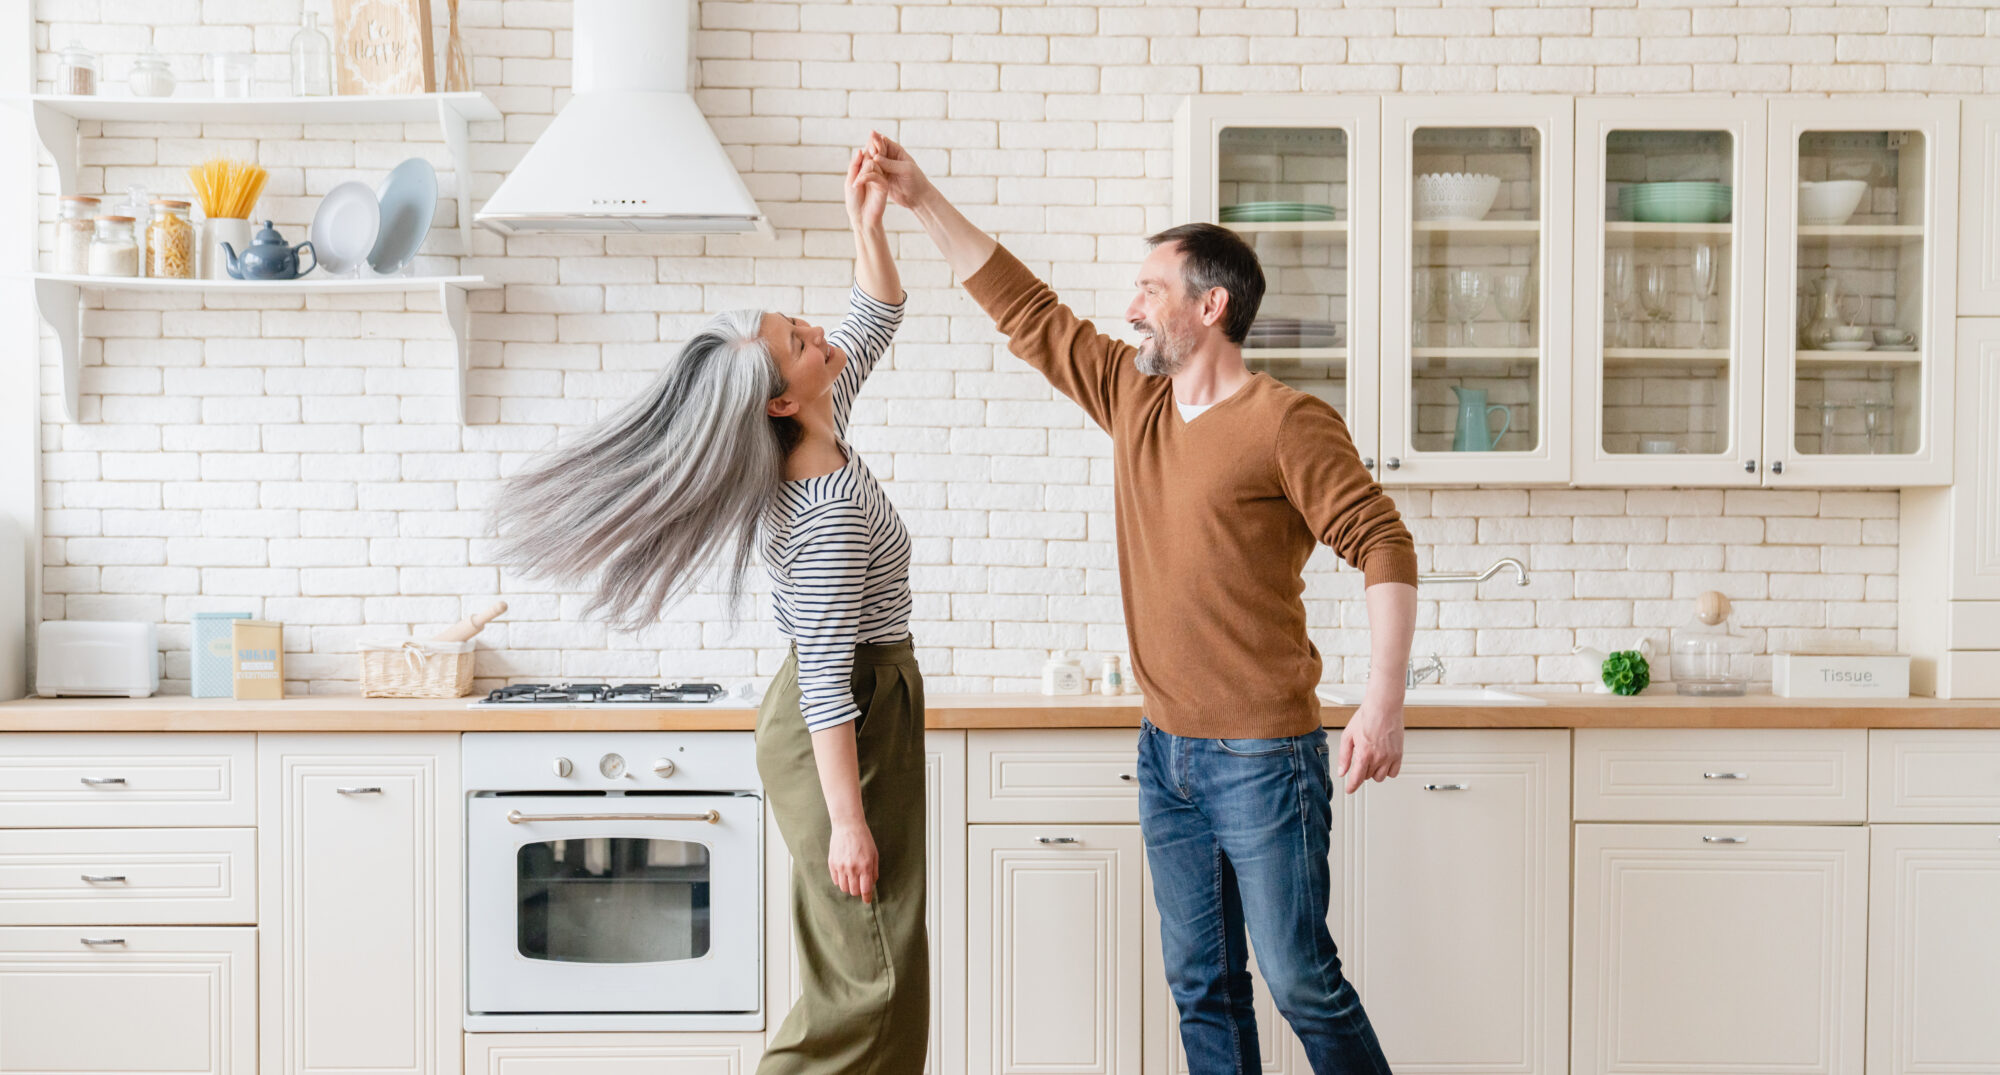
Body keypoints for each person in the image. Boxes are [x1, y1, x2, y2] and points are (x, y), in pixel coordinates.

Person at [859, 132, 1418, 1074]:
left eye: (1150, 291)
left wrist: (1383, 700)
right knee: (1203, 985)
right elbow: (1028, 310)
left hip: (1263, 756)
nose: (1130, 309)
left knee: (1301, 981)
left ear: (1211, 305)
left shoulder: (1287, 422)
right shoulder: (1134, 398)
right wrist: (920, 200)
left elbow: (1383, 543)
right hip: (1167, 752)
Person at [491, 148, 928, 1074]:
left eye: (798, 324)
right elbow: (825, 683)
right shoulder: (825, 509)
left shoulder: (815, 419)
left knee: (866, 966)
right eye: (799, 339)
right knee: (873, 978)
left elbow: (876, 313)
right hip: (846, 716)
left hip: (851, 707)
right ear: (780, 398)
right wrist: (849, 823)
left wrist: (866, 223)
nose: (817, 332)